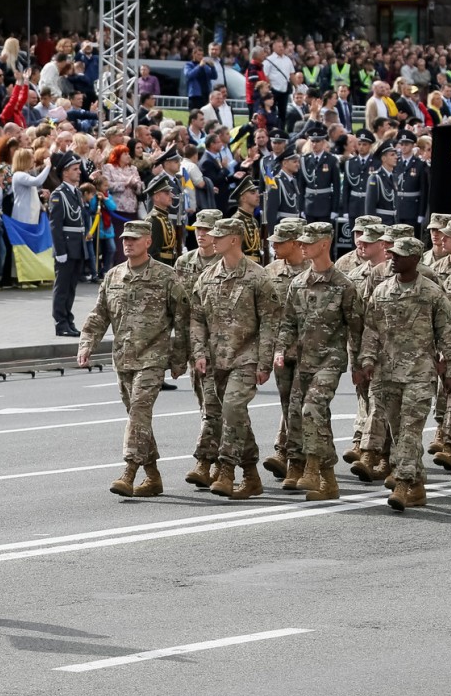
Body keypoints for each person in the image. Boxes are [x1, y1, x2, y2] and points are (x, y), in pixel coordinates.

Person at [77, 219, 188, 497]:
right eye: (125, 238)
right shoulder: (113, 276)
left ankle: (128, 471)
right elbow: (99, 314)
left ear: (148, 242)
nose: (128, 243)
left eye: (134, 239)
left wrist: (178, 357)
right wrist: (87, 343)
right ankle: (153, 477)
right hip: (123, 358)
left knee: (139, 412)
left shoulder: (165, 276)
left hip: (152, 358)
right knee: (138, 418)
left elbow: (184, 318)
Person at [357, 237, 451, 511]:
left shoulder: (431, 293)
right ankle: (416, 485)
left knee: (410, 432)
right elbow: (371, 331)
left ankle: (403, 484)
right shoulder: (381, 292)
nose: (393, 259)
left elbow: (448, 335)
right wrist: (366, 361)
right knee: (396, 431)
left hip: (419, 374)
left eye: (399, 256)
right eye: (391, 255)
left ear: (415, 259)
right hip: (386, 375)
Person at [189, 216, 279, 499]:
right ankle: (251, 475)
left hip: (246, 357)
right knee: (235, 414)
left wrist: (264, 363)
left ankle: (226, 470)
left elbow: (269, 322)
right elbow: (197, 318)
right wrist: (200, 353)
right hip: (217, 360)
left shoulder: (257, 276)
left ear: (234, 240)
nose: (212, 239)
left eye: (219, 235)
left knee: (232, 408)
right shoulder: (207, 277)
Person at [274, 222, 363, 500]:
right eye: (301, 242)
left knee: (312, 409)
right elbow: (288, 323)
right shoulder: (298, 284)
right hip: (303, 361)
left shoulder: (343, 285)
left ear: (324, 244)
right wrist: (280, 349)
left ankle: (311, 467)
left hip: (330, 360)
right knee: (308, 417)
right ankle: (329, 480)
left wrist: (361, 365)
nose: (302, 246)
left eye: (308, 242)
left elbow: (357, 328)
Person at [260, 219, 309, 483]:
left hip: (307, 351)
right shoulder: (269, 272)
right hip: (280, 350)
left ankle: (297, 460)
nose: (274, 245)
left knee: (298, 407)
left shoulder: (314, 270)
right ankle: (291, 453)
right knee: (287, 403)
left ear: (295, 243)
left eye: (280, 241)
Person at [49, 152, 87, 337]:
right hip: (66, 246)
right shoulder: (58, 195)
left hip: (77, 247)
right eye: (75, 169)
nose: (79, 172)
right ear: (65, 173)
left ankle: (68, 320)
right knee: (62, 287)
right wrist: (60, 251)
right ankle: (60, 322)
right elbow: (56, 226)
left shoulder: (76, 193)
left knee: (71, 287)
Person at [143, 175, 179, 266]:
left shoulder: (164, 217)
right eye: (167, 193)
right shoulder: (153, 220)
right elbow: (152, 252)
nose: (171, 195)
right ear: (157, 197)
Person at [264, 150, 303, 230]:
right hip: (282, 227)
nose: (298, 165)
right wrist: (272, 233)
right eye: (294, 162)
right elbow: (271, 211)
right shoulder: (277, 181)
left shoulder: (293, 180)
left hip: (294, 227)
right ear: (285, 163)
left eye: (298, 162)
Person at [228, 177, 262, 264]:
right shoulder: (236, 221)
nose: (258, 195)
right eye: (253, 193)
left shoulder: (254, 221)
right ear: (243, 198)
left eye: (257, 192)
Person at [365, 142, 398, 226]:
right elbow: (370, 206)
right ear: (383, 158)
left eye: (395, 154)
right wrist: (372, 226)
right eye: (392, 155)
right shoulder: (375, 178)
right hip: (380, 223)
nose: (396, 157)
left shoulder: (393, 176)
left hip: (393, 222)